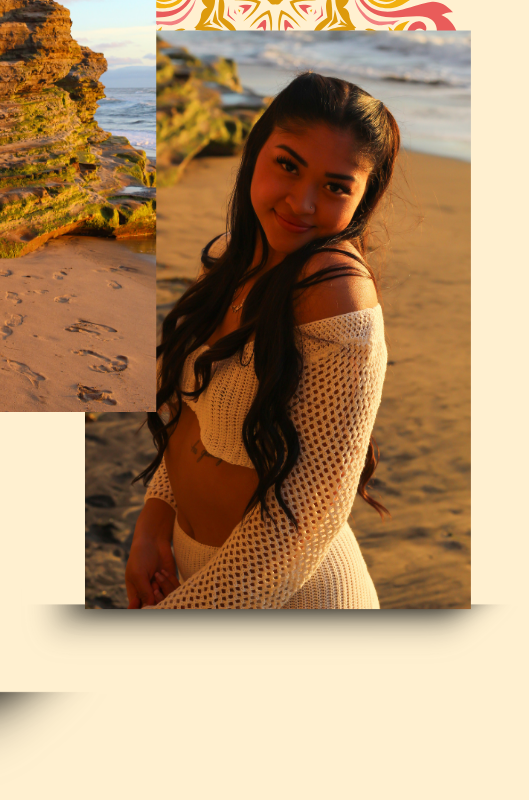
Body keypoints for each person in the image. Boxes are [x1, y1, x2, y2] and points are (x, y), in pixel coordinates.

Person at [126, 72, 397, 609]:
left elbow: (306, 522)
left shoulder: (337, 294)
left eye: (336, 186)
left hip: (291, 596)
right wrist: (153, 523)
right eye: (288, 165)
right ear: (256, 152)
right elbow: (189, 415)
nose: (302, 203)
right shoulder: (236, 256)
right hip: (189, 566)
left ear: (363, 198)